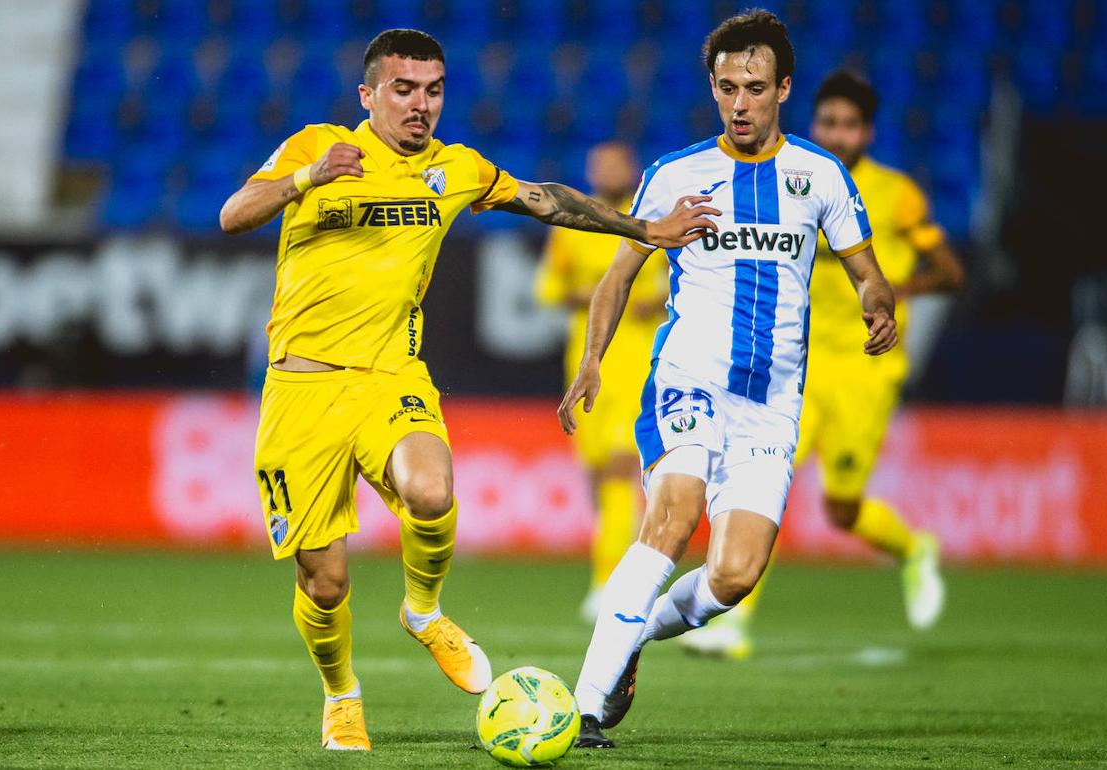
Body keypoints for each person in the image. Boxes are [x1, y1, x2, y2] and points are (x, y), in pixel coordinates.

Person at [219, 28, 716, 752]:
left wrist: (647, 227)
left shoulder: (457, 168)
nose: (421, 105)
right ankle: (341, 693)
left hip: (392, 376)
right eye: (403, 89)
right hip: (302, 388)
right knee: (324, 584)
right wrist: (308, 179)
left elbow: (547, 201)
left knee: (432, 491)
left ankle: (424, 613)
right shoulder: (317, 146)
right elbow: (234, 214)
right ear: (369, 95)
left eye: (434, 90)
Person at [558, 10, 898, 748]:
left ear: (782, 88)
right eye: (726, 87)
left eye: (753, 87)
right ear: (712, 89)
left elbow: (868, 273)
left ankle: (628, 640)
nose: (739, 103)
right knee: (673, 515)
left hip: (772, 405)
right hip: (688, 381)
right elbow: (620, 275)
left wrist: (879, 307)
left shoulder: (819, 176)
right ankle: (583, 708)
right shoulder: (677, 175)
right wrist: (592, 359)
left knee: (735, 576)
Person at [679, 70, 962, 660]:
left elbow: (951, 272)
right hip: (794, 366)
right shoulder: (795, 181)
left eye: (849, 125)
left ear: (868, 132)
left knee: (842, 507)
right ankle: (732, 620)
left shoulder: (895, 194)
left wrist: (889, 287)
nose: (837, 134)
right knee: (763, 486)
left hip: (865, 367)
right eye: (828, 122)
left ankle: (913, 549)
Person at [534, 142, 669, 623]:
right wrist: (601, 295)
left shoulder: (652, 217)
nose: (609, 171)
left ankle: (608, 583)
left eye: (617, 164)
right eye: (601, 165)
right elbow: (549, 288)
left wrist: (659, 300)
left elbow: (682, 278)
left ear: (631, 169)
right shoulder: (573, 223)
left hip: (639, 362)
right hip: (587, 363)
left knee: (618, 470)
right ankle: (619, 566)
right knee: (598, 479)